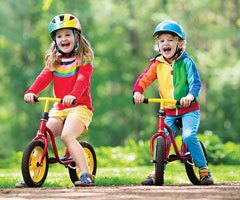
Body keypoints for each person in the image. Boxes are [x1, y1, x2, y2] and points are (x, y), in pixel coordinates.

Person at [16, 14, 95, 187]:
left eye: (67, 34)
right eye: (59, 36)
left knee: (67, 136)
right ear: (54, 40)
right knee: (42, 134)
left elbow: (83, 80)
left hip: (79, 107)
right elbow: (43, 78)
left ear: (76, 37)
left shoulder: (83, 61)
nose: (63, 39)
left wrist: (73, 95)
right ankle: (30, 175)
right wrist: (32, 91)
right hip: (59, 108)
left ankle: (85, 174)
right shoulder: (55, 61)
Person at [133, 20, 214, 185]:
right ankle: (158, 171)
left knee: (188, 136)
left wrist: (190, 97)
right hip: (168, 109)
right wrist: (138, 92)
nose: (166, 43)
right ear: (158, 45)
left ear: (180, 43)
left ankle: (204, 170)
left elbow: (195, 83)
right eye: (162, 40)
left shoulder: (186, 62)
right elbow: (144, 79)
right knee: (163, 139)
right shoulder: (157, 64)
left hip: (188, 109)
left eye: (170, 39)